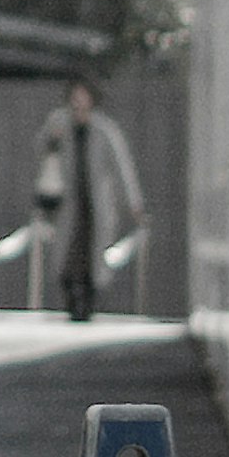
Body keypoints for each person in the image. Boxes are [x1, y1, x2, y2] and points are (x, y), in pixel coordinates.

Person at [30, 75, 145, 327]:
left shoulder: (104, 129)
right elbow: (41, 151)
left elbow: (120, 166)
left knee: (93, 254)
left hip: (95, 204)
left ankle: (87, 300)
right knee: (66, 253)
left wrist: (133, 202)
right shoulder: (58, 122)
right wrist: (53, 139)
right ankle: (71, 298)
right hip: (68, 203)